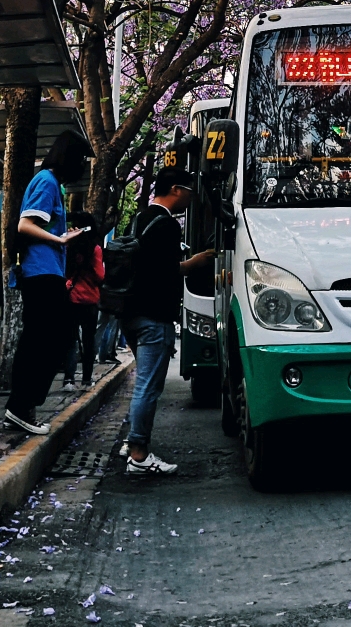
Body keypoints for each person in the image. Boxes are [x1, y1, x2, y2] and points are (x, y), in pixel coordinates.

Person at [118, 169, 216, 475]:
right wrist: (197, 262)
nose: (190, 197)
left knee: (144, 385)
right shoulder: (167, 226)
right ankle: (138, 454)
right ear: (175, 189)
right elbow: (167, 272)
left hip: (130, 313)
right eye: (188, 191)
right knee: (148, 387)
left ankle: (131, 443)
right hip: (154, 316)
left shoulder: (139, 219)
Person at [3, 131, 91, 435]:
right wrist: (61, 239)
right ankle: (20, 406)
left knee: (48, 339)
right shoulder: (46, 182)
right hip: (40, 272)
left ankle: (23, 405)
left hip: (47, 271)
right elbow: (25, 224)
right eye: (81, 160)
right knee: (44, 340)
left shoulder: (53, 184)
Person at [64, 212, 104, 391]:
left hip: (71, 298)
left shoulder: (68, 246)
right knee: (88, 341)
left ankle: (68, 380)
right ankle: (87, 379)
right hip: (90, 300)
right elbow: (100, 276)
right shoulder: (94, 249)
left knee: (70, 339)